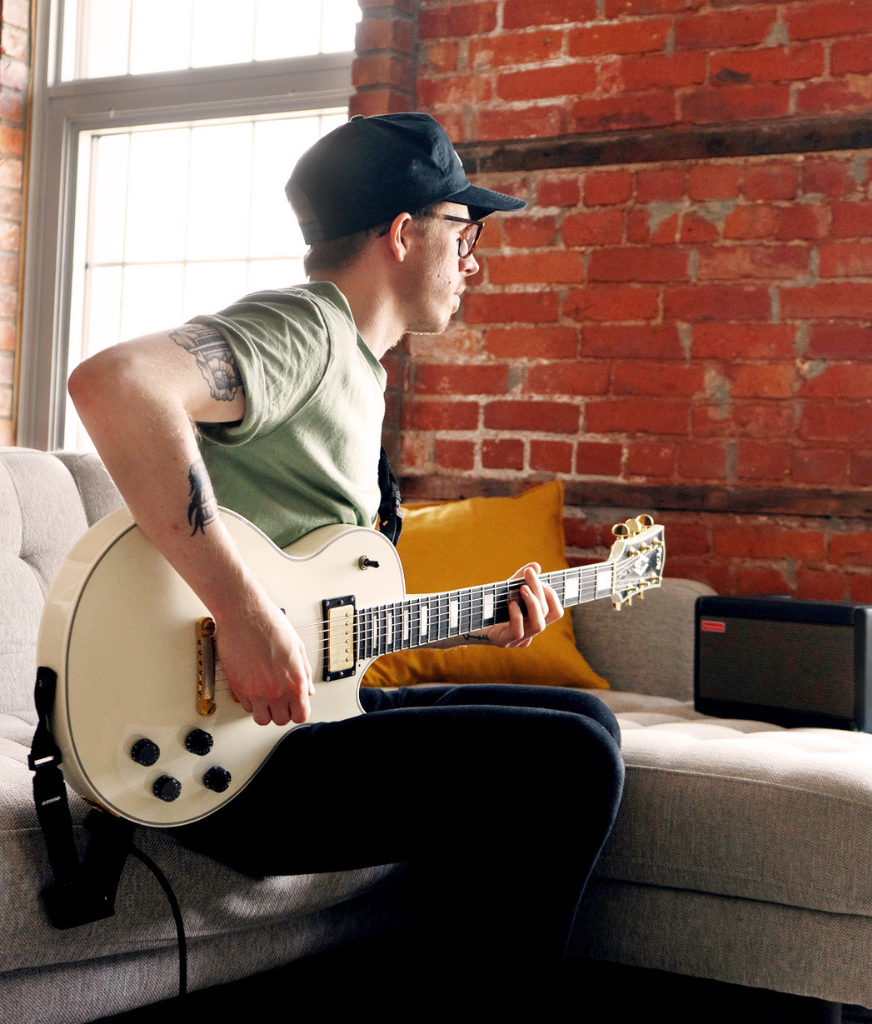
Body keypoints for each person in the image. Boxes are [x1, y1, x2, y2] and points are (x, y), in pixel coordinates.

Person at [68, 112, 625, 1013]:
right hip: (234, 758)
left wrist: (477, 620)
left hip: (296, 715)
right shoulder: (310, 328)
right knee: (572, 762)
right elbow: (114, 383)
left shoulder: (357, 366)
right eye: (464, 232)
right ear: (402, 233)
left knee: (584, 721)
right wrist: (245, 617)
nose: (473, 263)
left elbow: (327, 612)